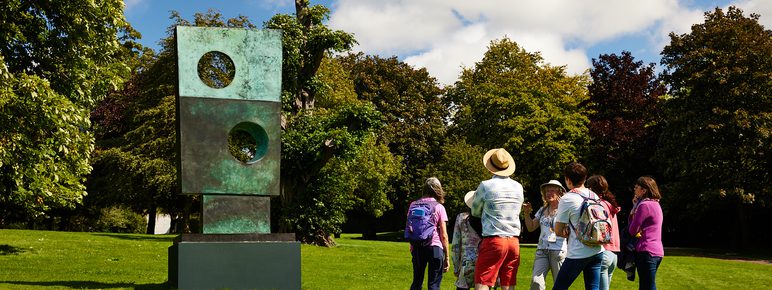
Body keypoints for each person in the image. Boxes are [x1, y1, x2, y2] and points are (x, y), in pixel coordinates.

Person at [471, 148, 524, 290]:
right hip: (513, 241)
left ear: (491, 167)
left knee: (483, 281)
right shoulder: (518, 187)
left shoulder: (486, 185)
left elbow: (475, 211)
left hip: (494, 239)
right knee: (508, 283)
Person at [552, 162, 604, 290]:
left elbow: (558, 230)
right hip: (597, 248)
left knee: (559, 288)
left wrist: (567, 232)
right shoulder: (594, 195)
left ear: (568, 180)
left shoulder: (567, 198)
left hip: (578, 252)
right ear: (585, 178)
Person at [522, 180, 568, 290]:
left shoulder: (565, 210)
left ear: (559, 193)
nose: (548, 193)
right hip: (542, 250)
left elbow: (569, 232)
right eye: (546, 191)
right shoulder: (542, 210)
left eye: (552, 190)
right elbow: (531, 227)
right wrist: (527, 213)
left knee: (560, 285)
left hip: (558, 251)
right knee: (536, 282)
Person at [408, 177, 450, 290]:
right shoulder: (439, 207)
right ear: (438, 190)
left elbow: (410, 226)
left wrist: (412, 245)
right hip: (435, 247)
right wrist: (447, 257)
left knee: (417, 282)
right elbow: (444, 235)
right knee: (434, 285)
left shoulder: (413, 205)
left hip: (417, 246)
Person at [586, 175, 621, 290]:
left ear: (591, 189)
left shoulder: (598, 205)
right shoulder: (609, 203)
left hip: (603, 251)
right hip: (614, 254)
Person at [629, 176, 664, 290]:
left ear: (644, 190)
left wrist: (634, 207)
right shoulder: (656, 204)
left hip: (646, 250)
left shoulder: (644, 205)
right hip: (657, 251)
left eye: (636, 187)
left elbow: (632, 230)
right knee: (647, 285)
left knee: (647, 287)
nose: (634, 189)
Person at [451, 191, 483, 290]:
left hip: (466, 263)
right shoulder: (487, 218)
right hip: (484, 261)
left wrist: (456, 267)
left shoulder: (461, 218)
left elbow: (456, 244)